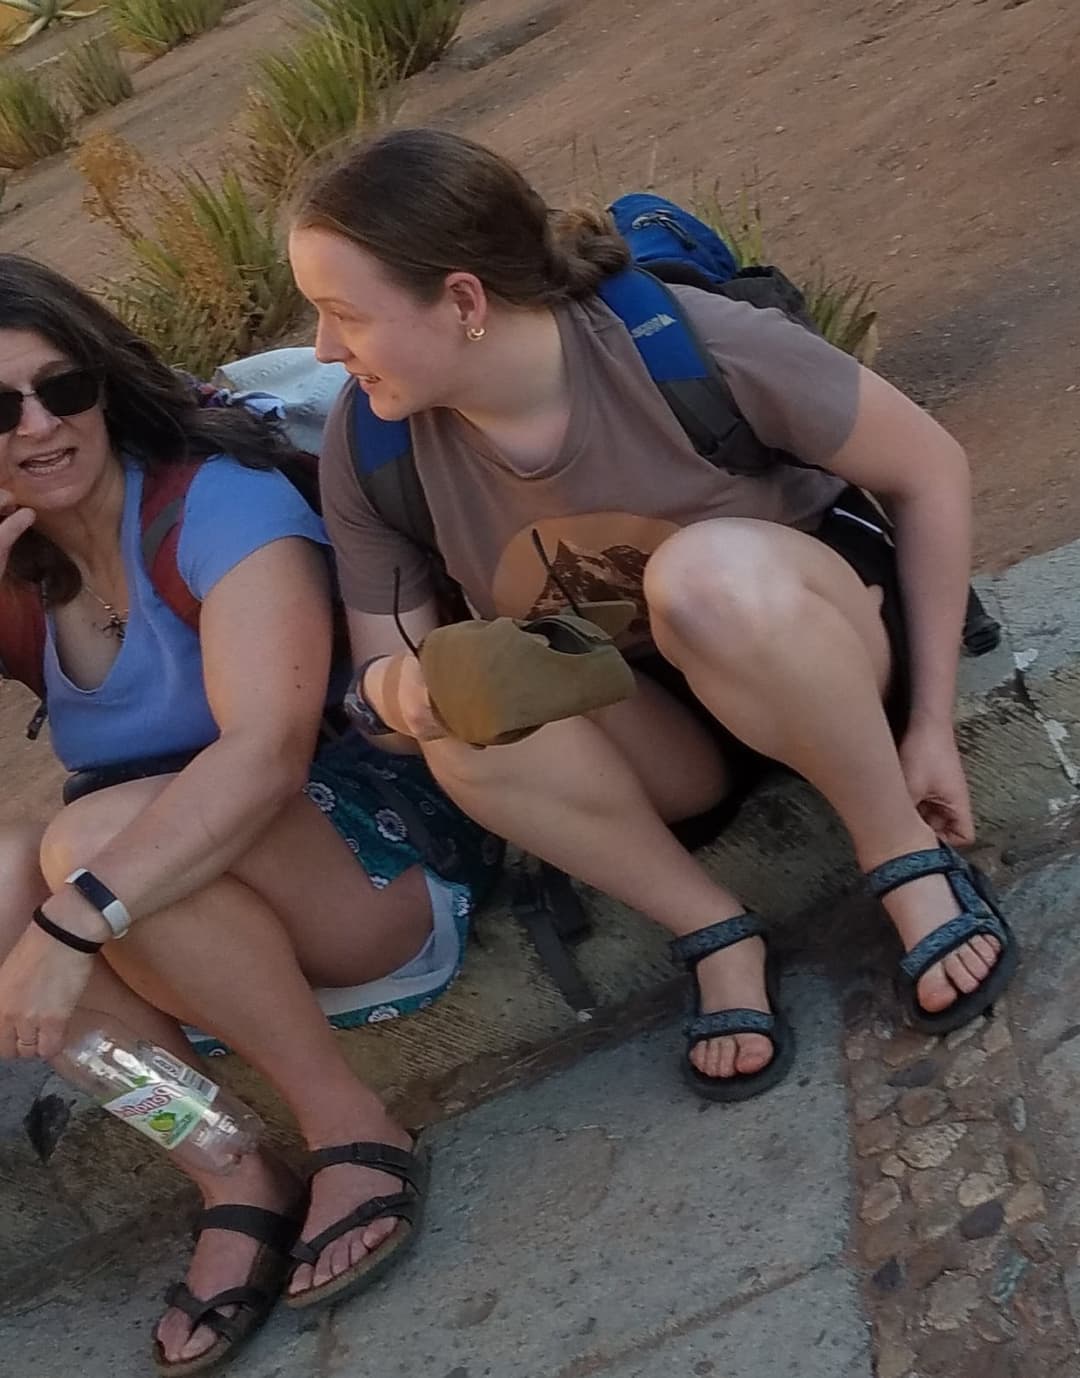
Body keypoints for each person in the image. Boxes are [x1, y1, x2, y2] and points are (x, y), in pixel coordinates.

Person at [287, 126, 1017, 1107]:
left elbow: (929, 469)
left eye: (344, 314)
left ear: (462, 299)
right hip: (652, 731)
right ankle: (712, 927)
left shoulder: (673, 342)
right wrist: (405, 692)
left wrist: (930, 721)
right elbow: (385, 667)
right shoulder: (371, 444)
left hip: (806, 644)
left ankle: (901, 852)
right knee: (465, 703)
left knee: (700, 577)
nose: (323, 348)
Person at [0, 256, 501, 1373]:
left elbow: (269, 754)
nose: (39, 426)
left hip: (367, 865)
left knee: (88, 846)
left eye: (62, 386)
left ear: (102, 381)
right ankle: (230, 1163)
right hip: (192, 922)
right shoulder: (22, 567)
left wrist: (72, 922)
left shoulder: (212, 500)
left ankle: (346, 1124)